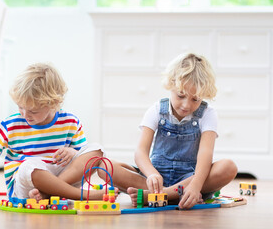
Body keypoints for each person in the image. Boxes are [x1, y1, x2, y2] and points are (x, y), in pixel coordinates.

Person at [0, 63, 110, 201]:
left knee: (96, 149)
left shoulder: (70, 122)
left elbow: (81, 156)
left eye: (33, 111)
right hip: (28, 185)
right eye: (20, 107)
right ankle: (82, 196)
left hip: (62, 178)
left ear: (54, 103)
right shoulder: (11, 124)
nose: (25, 114)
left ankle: (50, 193)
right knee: (28, 166)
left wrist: (71, 151)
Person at [98, 53, 238, 209]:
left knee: (228, 167)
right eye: (180, 95)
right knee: (104, 166)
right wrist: (151, 174)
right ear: (171, 86)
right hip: (155, 178)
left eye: (195, 99)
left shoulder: (208, 114)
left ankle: (163, 196)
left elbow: (205, 154)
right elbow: (140, 153)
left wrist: (196, 185)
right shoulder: (157, 109)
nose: (186, 105)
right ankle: (171, 194)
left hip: (190, 180)